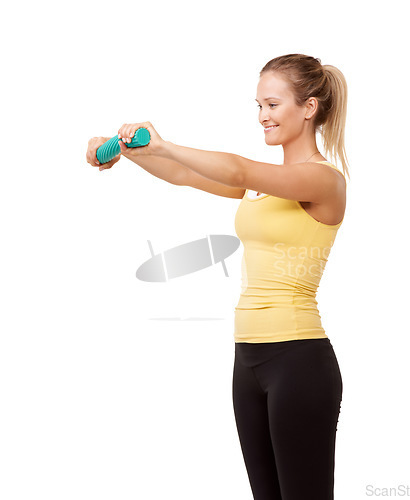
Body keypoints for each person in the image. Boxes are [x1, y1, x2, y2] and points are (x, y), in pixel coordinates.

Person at [86, 53, 349, 500]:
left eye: (273, 104)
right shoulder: (268, 182)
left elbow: (239, 169)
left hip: (298, 362)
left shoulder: (323, 181)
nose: (263, 116)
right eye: (259, 106)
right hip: (248, 361)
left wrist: (163, 142)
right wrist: (130, 153)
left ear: (308, 108)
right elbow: (185, 175)